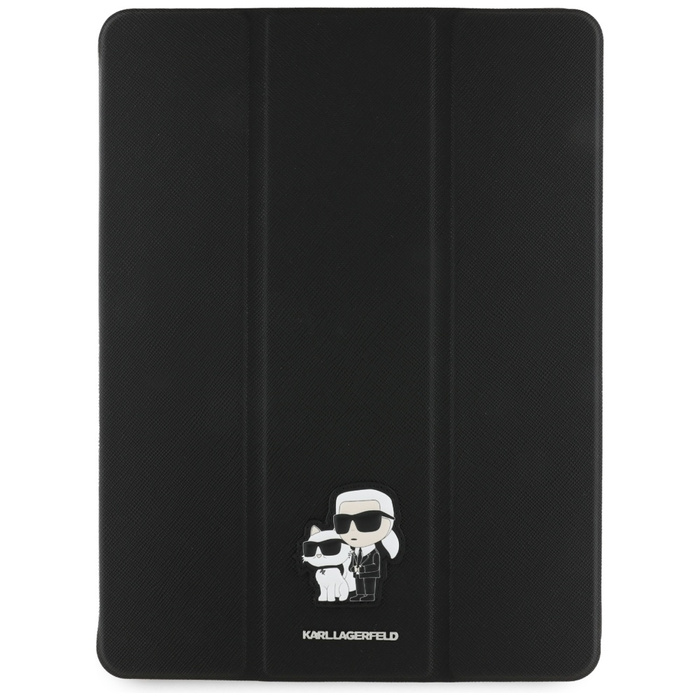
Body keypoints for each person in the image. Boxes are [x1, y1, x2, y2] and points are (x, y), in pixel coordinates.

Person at [333, 487, 401, 602]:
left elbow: (375, 565)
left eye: (367, 521)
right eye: (343, 521)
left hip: (370, 574)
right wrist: (352, 568)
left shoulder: (374, 553)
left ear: (389, 522)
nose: (353, 529)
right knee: (359, 584)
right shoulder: (354, 552)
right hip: (358, 574)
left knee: (369, 584)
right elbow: (353, 562)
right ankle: (360, 594)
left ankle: (369, 595)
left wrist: (362, 568)